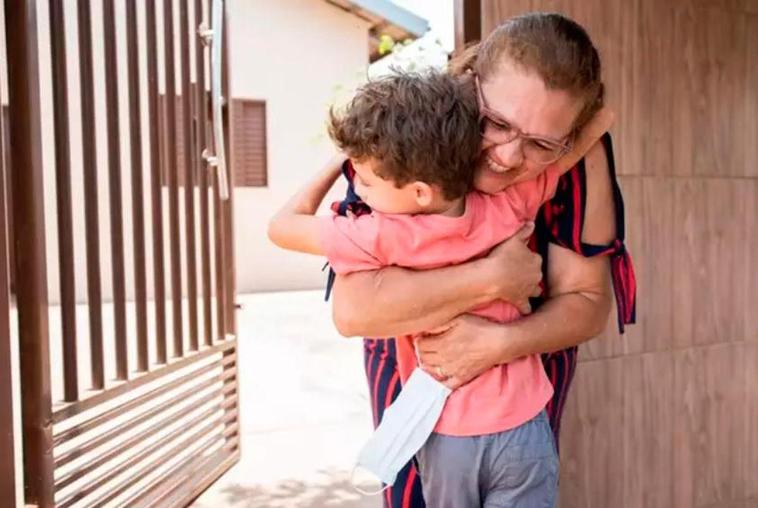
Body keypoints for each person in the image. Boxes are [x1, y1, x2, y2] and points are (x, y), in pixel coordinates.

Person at [326, 12, 637, 508]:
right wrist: (491, 278)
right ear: (469, 87)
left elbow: (589, 301)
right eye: (496, 123)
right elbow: (353, 311)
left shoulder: (578, 161)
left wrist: (498, 342)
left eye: (541, 144)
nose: (511, 157)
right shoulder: (405, 134)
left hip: (518, 396)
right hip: (414, 384)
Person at [268, 69, 613, 506]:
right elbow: (565, 157)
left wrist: (336, 160)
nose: (358, 186)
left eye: (367, 180)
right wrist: (599, 116)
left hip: (449, 434)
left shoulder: (381, 234)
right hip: (525, 423)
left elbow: (282, 228)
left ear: (418, 192)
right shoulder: (505, 207)